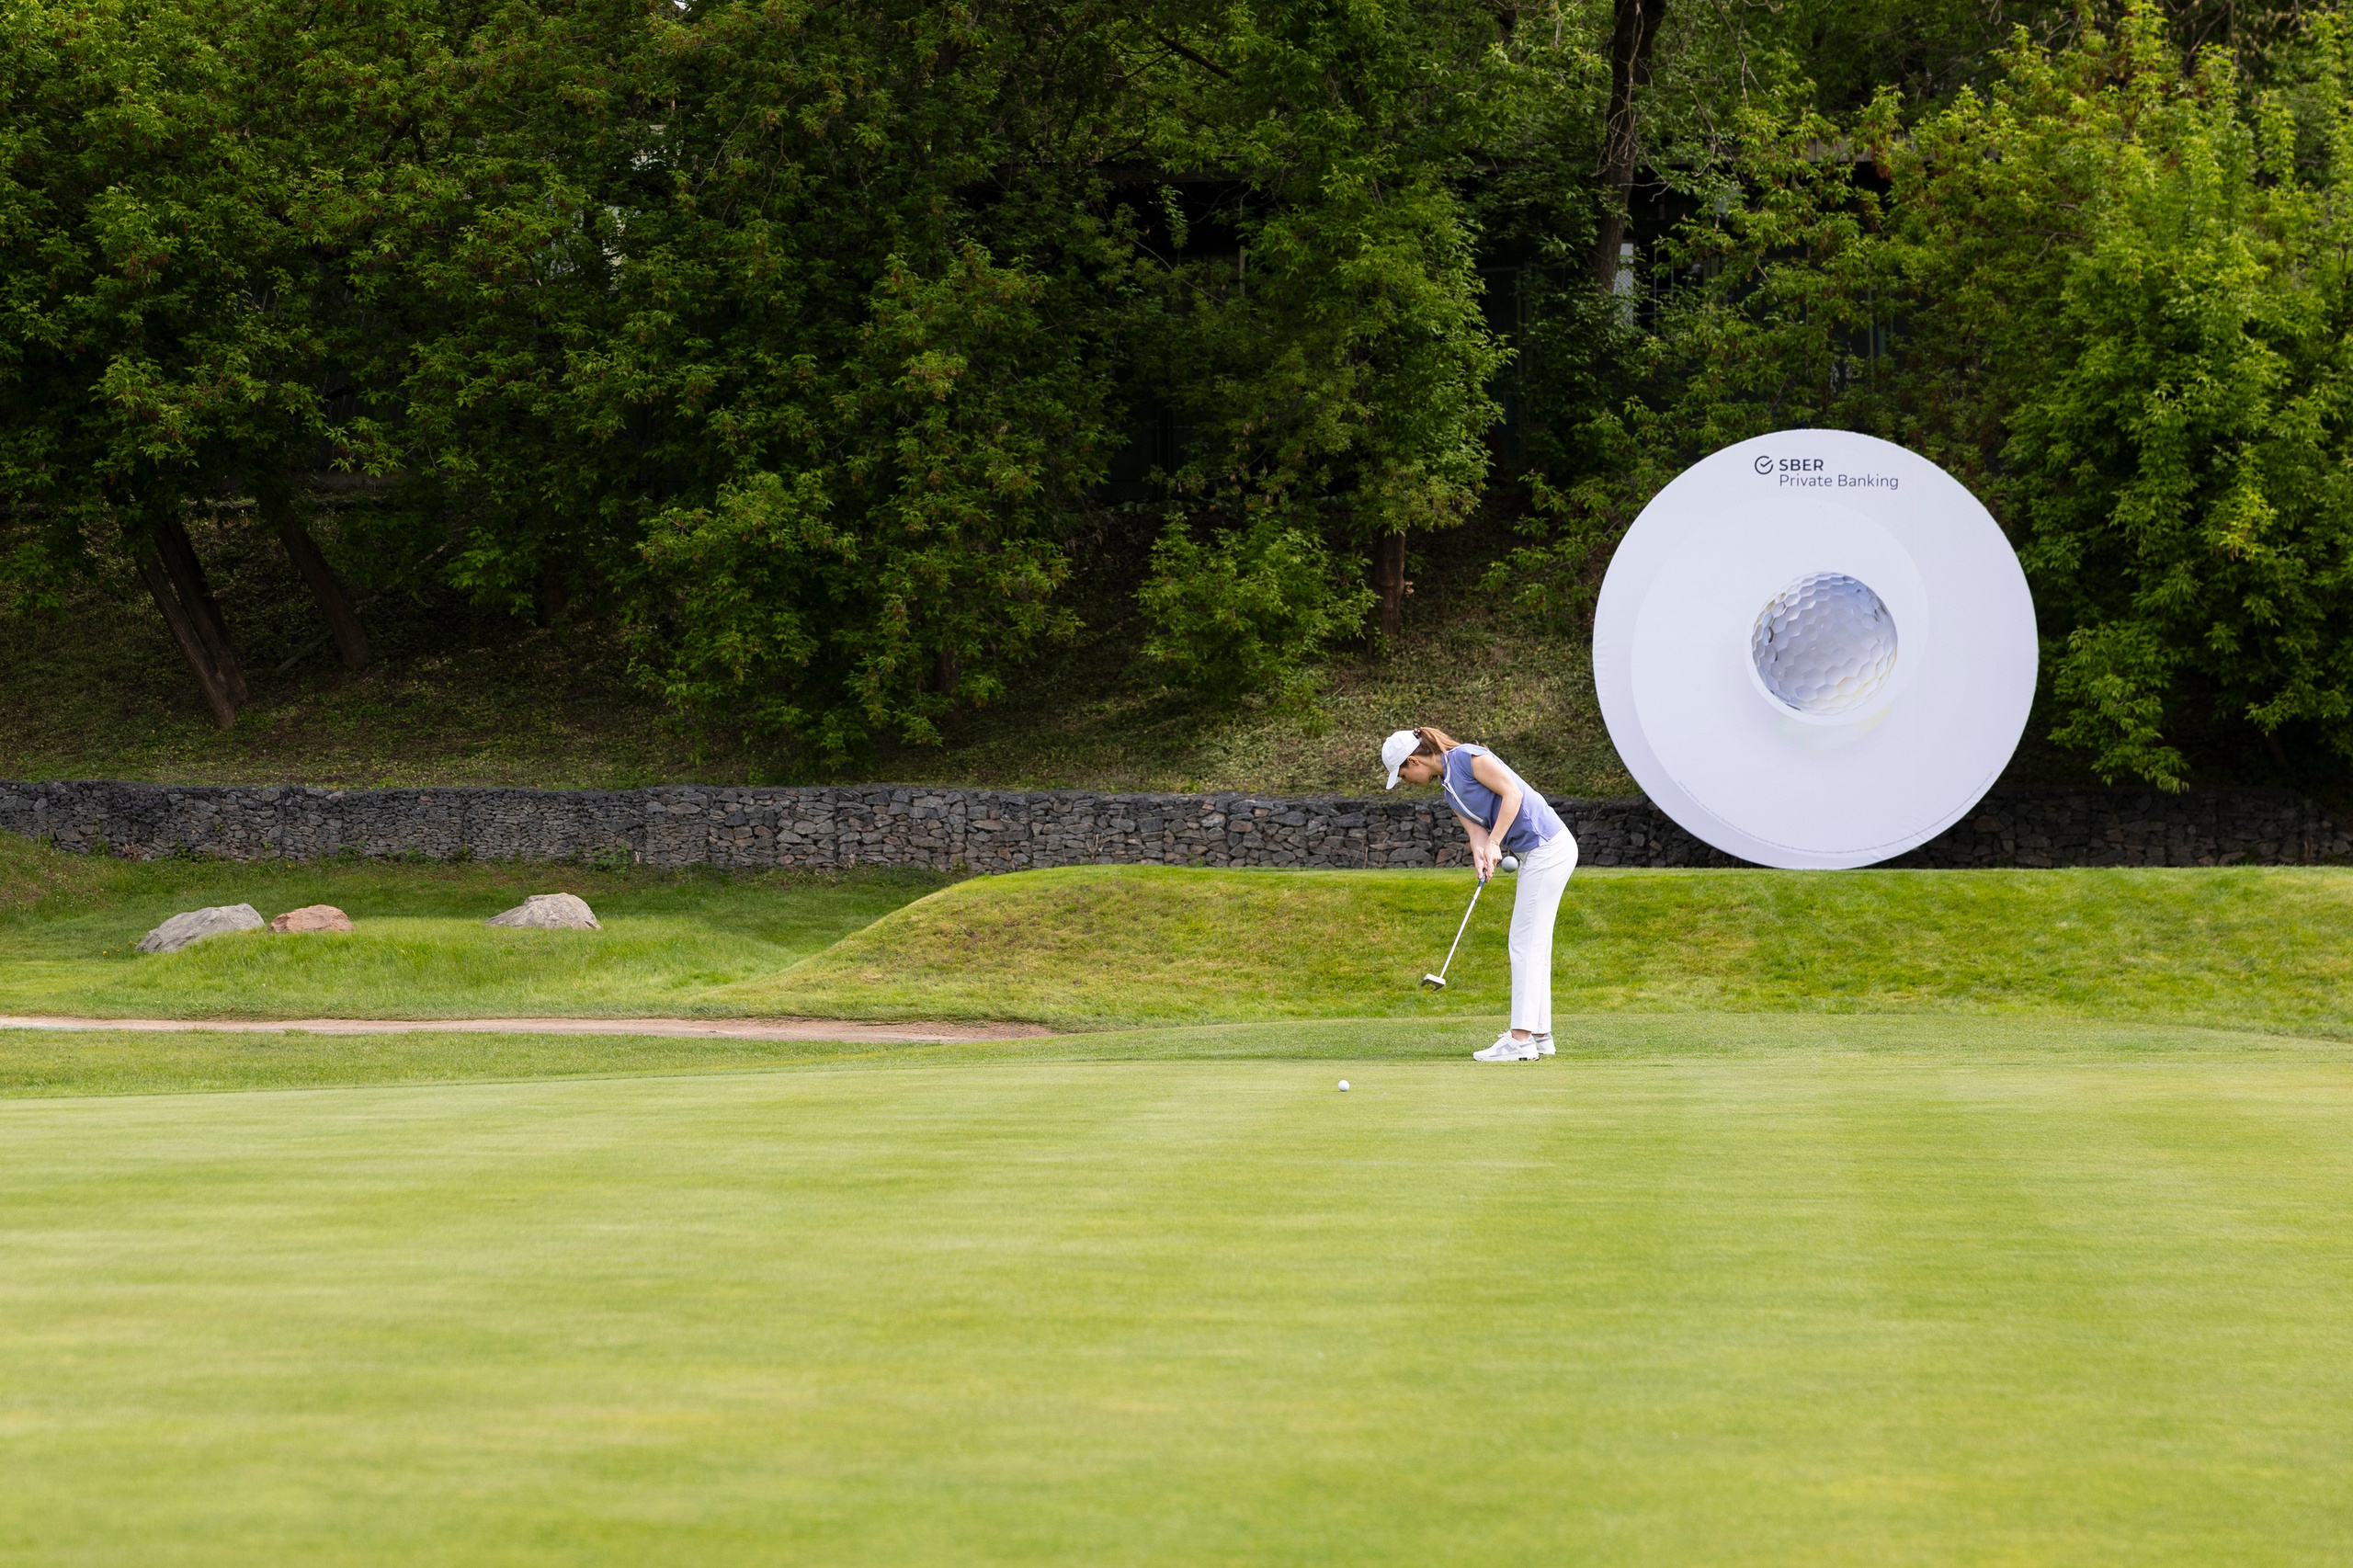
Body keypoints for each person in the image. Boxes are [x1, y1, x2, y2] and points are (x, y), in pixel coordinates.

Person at [1381, 726, 1578, 1062]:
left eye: (1403, 775)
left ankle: (1520, 1040)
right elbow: (1477, 832)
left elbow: (1512, 794)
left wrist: (1495, 842)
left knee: (1524, 943)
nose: (1406, 782)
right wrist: (1482, 854)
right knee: (1534, 944)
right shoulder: (1449, 789)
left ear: (1414, 761)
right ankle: (1540, 1034)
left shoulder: (1468, 757)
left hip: (1548, 847)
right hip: (1535, 853)